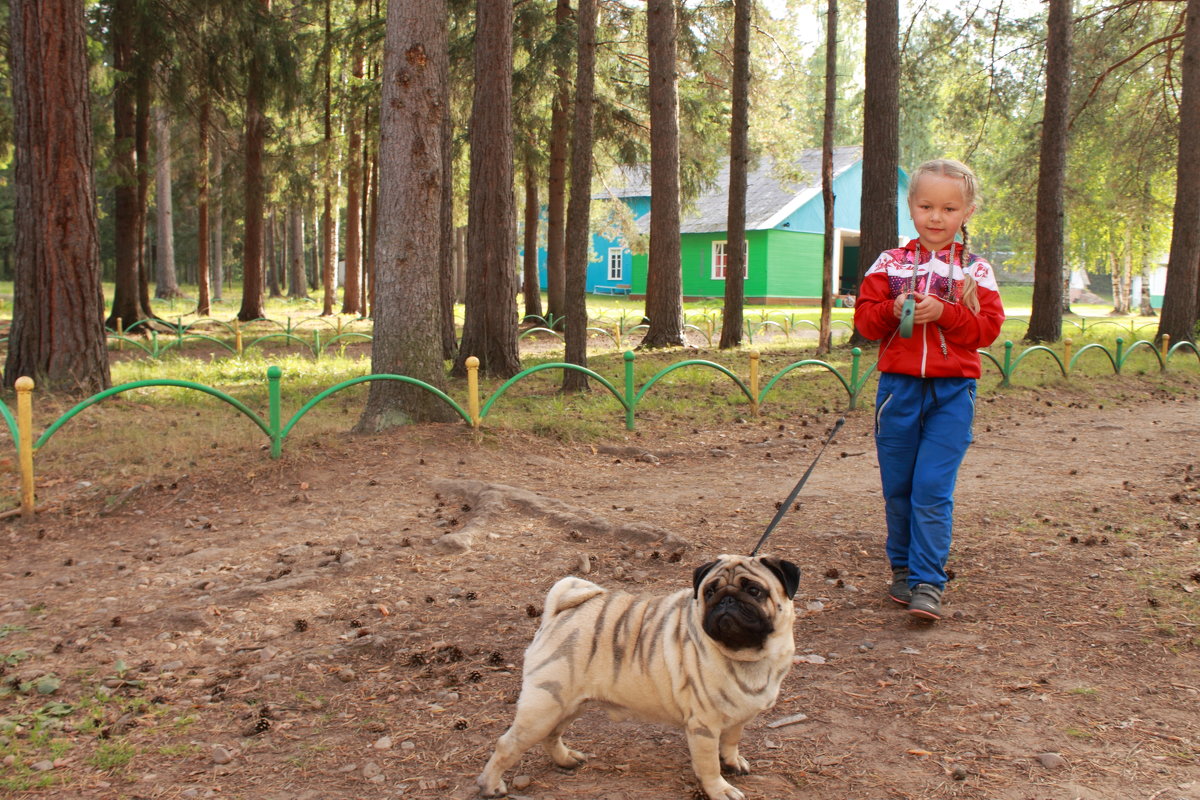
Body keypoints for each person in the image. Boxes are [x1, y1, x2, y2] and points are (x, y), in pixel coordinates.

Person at [852, 159, 1005, 621]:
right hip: (898, 392)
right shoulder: (890, 263)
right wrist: (891, 307)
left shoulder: (975, 271)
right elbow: (863, 320)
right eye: (925, 206)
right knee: (898, 489)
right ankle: (901, 570)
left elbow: (987, 330)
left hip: (953, 395)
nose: (936, 217)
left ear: (967, 212)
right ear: (911, 207)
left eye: (949, 208)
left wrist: (944, 313)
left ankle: (928, 582)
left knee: (932, 490)